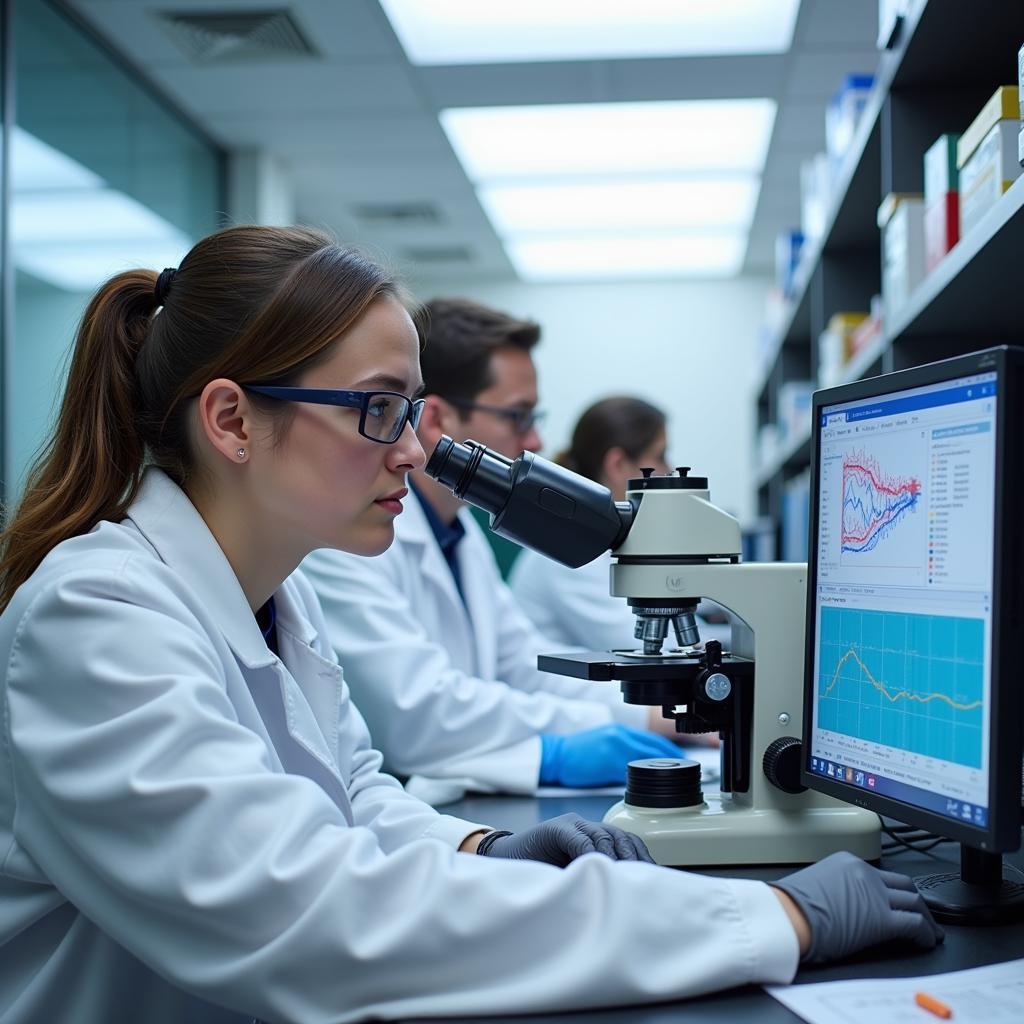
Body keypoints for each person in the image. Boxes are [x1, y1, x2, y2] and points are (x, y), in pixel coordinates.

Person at [0, 226, 942, 1023]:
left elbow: (352, 795)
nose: (413, 450)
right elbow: (321, 918)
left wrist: (479, 847)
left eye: (411, 412)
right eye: (378, 409)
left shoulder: (276, 593)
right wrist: (771, 921)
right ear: (233, 420)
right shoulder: (95, 618)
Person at [302, 298, 684, 803]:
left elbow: (525, 669)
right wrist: (559, 750)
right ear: (436, 419)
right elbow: (419, 711)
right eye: (517, 417)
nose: (537, 440)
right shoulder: (347, 536)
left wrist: (651, 716)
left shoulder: (462, 536)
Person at [511, 396, 731, 651]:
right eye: (660, 456)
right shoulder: (568, 550)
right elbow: (647, 645)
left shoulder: (602, 538)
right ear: (617, 465)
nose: (668, 469)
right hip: (565, 689)